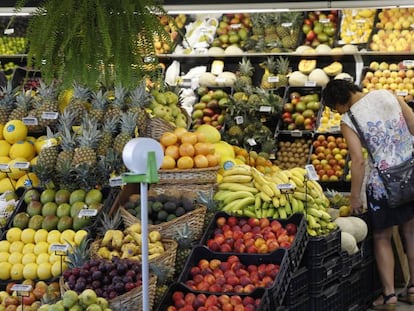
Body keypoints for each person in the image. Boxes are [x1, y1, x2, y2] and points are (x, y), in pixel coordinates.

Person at [321, 79, 414, 311]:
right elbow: (413, 123)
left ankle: (390, 296)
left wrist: (355, 197)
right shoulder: (387, 94)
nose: (337, 112)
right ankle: (413, 289)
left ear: (339, 103)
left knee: (382, 237)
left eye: (334, 108)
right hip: (410, 172)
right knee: (411, 232)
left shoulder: (348, 119)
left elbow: (358, 160)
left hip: (382, 185)